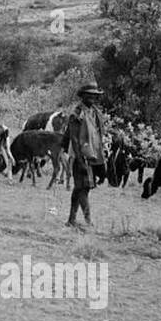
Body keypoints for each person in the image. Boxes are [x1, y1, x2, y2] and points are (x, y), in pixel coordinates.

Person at [66, 82, 107, 228]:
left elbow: (98, 135)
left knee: (81, 188)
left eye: (94, 95)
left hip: (93, 154)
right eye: (89, 94)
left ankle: (71, 220)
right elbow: (74, 138)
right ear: (82, 96)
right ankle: (88, 220)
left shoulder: (95, 113)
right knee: (83, 186)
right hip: (80, 154)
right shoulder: (76, 113)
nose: (92, 97)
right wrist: (79, 159)